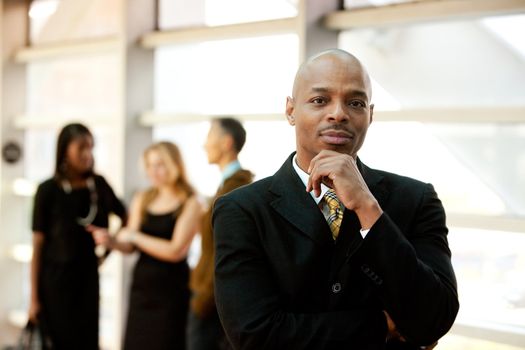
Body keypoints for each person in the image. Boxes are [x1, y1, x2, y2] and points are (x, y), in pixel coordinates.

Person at [212, 49, 459, 350]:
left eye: (355, 103)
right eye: (320, 100)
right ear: (290, 111)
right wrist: (382, 325)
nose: (338, 113)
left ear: (370, 114)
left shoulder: (416, 199)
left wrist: (368, 209)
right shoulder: (243, 209)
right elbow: (256, 335)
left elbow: (435, 318)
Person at [89, 141, 202, 350]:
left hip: (172, 290)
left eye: (159, 164)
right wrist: (112, 241)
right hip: (142, 288)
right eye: (149, 166)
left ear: (174, 165)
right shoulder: (143, 198)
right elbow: (129, 246)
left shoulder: (191, 202)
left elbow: (175, 251)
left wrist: (135, 237)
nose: (153, 171)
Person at [29, 123, 127, 350]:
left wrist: (109, 248)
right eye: (81, 147)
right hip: (54, 283)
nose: (87, 154)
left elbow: (126, 217)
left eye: (91, 148)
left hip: (87, 279)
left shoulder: (98, 185)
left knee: (87, 340)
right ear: (65, 149)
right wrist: (34, 299)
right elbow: (38, 246)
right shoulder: (48, 190)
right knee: (57, 341)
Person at [188, 118, 254, 350]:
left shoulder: (236, 188)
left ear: (226, 143)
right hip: (211, 290)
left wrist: (205, 291)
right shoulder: (228, 186)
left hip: (213, 294)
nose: (204, 145)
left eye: (209, 137)